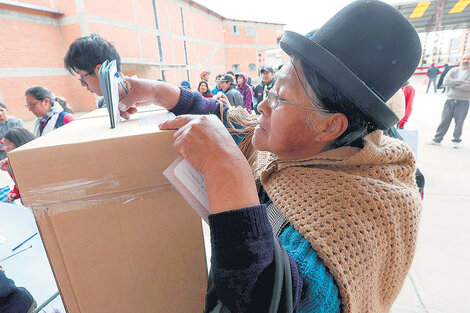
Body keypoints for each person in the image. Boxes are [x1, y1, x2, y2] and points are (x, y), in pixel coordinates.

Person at [118, 1, 423, 312]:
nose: (263, 105)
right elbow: (231, 122)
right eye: (270, 90)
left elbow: (270, 300)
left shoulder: (367, 212)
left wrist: (228, 170)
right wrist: (156, 92)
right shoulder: (295, 150)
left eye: (280, 97)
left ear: (330, 125)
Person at [64, 33, 121, 107]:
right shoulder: (105, 102)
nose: (83, 84)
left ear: (101, 70)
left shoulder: (134, 102)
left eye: (82, 76)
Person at [427, 53, 470, 148]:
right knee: (444, 121)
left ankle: (456, 141)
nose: (466, 61)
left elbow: (468, 87)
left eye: (468, 59)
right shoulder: (453, 70)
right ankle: (437, 140)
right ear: (461, 59)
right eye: (464, 58)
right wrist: (462, 81)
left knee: (459, 123)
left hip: (463, 102)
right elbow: (445, 82)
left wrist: (454, 83)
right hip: (450, 100)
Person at [0, 127, 36, 203]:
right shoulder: (18, 163)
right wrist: (15, 192)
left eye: (8, 148)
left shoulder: (34, 162)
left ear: (20, 145)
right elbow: (21, 184)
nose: (6, 151)